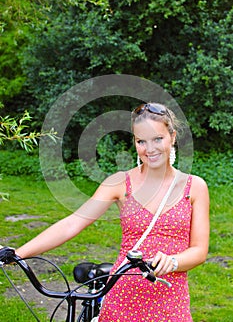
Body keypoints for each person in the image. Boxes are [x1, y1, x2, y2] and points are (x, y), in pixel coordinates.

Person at [16, 103, 209, 321]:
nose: (150, 149)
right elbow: (73, 223)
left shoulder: (194, 187)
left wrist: (173, 261)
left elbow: (199, 251)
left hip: (170, 301)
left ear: (172, 137)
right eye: (141, 141)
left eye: (158, 139)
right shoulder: (119, 183)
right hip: (122, 298)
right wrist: (17, 254)